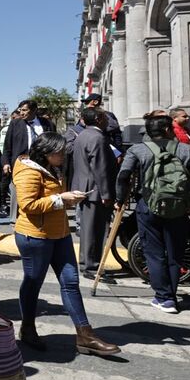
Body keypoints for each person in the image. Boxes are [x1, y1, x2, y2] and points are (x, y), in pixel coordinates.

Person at [13, 132, 120, 356]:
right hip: (35, 236)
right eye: (59, 152)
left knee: (70, 282)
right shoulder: (29, 171)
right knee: (33, 283)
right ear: (45, 153)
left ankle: (85, 335)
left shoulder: (53, 168)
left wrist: (69, 198)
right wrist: (62, 199)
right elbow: (28, 205)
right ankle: (28, 328)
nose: (63, 155)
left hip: (60, 234)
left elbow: (53, 199)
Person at [115, 115, 190, 314]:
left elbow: (123, 176)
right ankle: (170, 296)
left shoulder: (137, 150)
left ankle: (164, 297)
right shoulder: (187, 150)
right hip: (179, 207)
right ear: (167, 129)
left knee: (153, 252)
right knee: (175, 253)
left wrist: (120, 200)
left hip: (148, 205)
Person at [70, 109, 119, 285]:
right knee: (95, 231)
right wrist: (106, 193)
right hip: (95, 190)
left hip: (86, 187)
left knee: (88, 229)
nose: (108, 121)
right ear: (98, 119)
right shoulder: (97, 137)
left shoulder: (83, 135)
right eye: (105, 118)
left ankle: (88, 263)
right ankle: (92, 266)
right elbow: (100, 167)